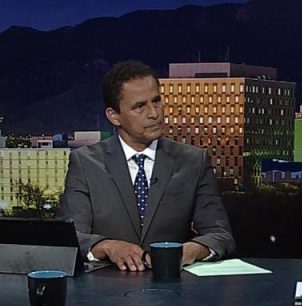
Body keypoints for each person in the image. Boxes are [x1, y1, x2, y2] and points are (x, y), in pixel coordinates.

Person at [57, 60, 235, 271]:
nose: (154, 113)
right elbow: (70, 237)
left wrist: (192, 250)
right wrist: (107, 246)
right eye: (140, 106)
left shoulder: (193, 161)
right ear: (114, 116)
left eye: (156, 101)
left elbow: (220, 235)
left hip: (172, 284)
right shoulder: (86, 163)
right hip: (107, 286)